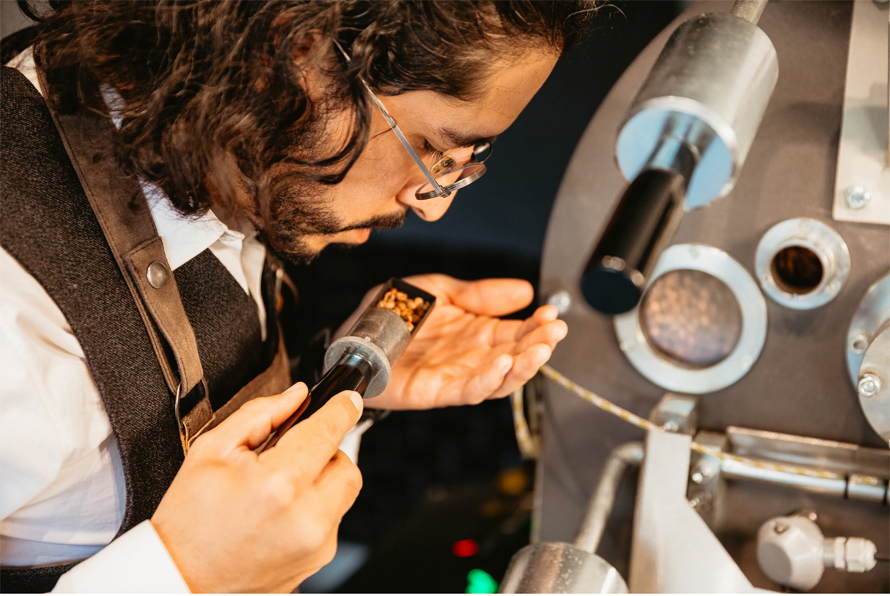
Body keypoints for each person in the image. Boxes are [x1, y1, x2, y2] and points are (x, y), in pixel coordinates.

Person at [0, 1, 594, 592]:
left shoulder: (232, 151)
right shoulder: (14, 324)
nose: (435, 205)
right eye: (434, 149)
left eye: (469, 161)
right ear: (290, 52)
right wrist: (185, 576)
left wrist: (350, 374)